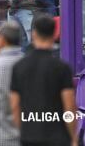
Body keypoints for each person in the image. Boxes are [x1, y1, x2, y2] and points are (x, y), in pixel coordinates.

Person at [10, 15, 77, 146]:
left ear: (34, 34)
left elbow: (14, 106)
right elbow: (69, 108)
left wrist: (19, 135)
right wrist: (73, 137)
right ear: (54, 34)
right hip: (57, 138)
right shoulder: (62, 68)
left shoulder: (19, 67)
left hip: (28, 137)